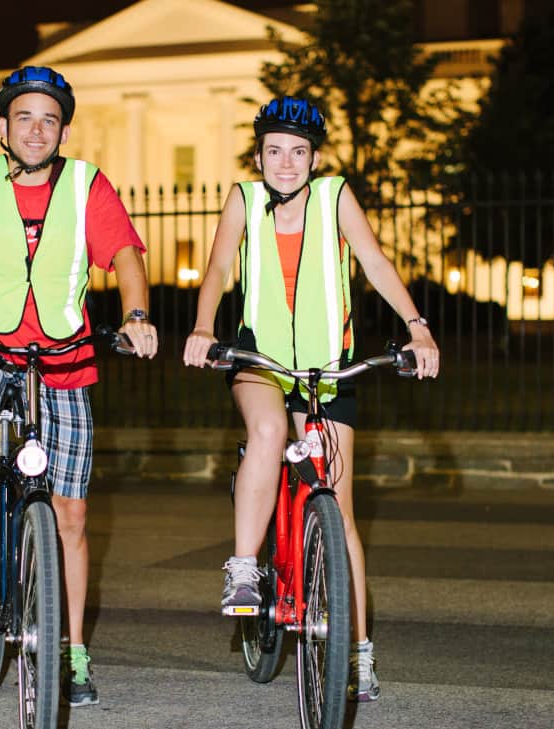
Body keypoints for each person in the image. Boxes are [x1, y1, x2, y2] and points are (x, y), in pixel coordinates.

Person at [0, 65, 158, 708]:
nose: (37, 130)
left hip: (64, 355)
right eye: (25, 118)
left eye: (49, 119)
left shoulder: (87, 185)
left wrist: (136, 317)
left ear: (62, 129)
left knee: (70, 513)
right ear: (3, 127)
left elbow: (126, 254)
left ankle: (70, 650)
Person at [182, 96, 440, 703]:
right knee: (269, 435)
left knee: (340, 510)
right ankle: (246, 568)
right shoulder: (243, 200)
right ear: (259, 155)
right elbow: (218, 269)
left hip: (328, 369)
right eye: (275, 150)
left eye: (298, 152)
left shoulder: (334, 198)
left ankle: (357, 648)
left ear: (315, 158)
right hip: (260, 361)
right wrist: (201, 328)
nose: (286, 162)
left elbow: (374, 262)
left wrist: (417, 326)